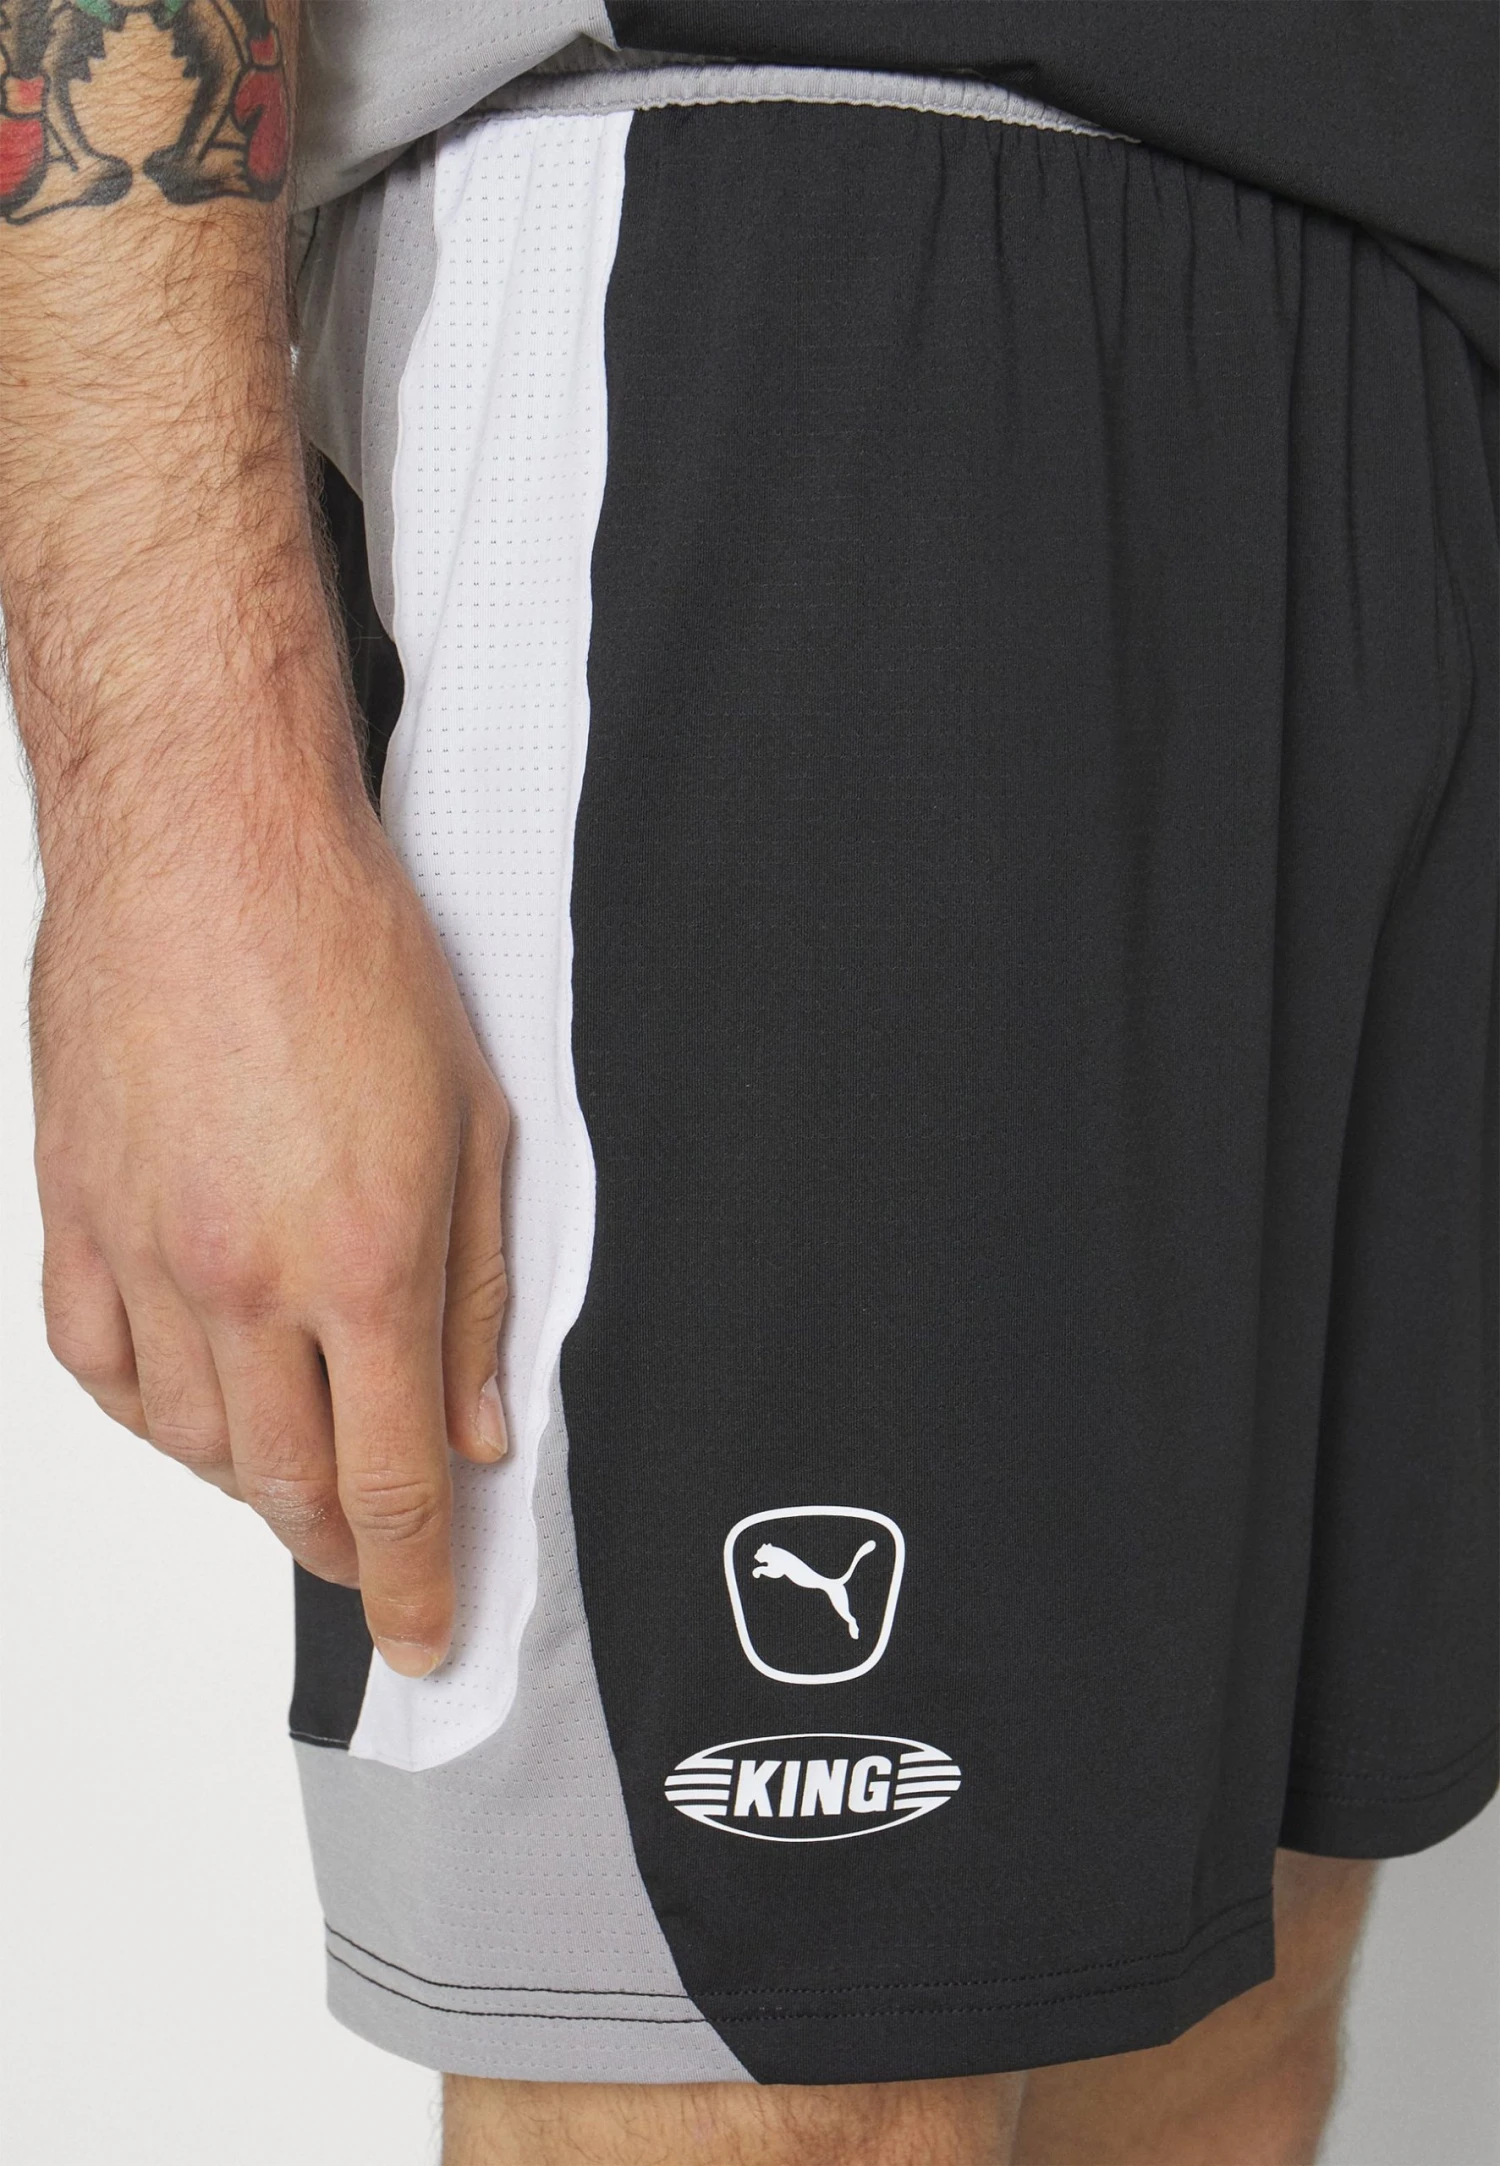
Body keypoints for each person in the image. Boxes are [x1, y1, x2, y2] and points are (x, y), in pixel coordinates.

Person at [1, 5, 1494, 2162]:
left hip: (1414, 337)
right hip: (796, 280)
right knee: (791, 2087)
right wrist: (180, 821)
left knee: (1214, 2039)